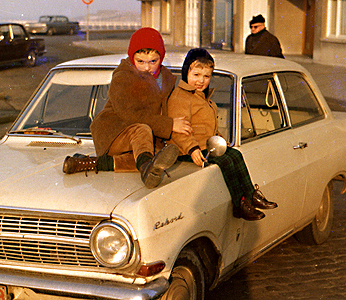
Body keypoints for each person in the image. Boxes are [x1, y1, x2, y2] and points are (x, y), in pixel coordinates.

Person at [63, 27, 192, 189]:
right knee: (142, 130)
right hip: (114, 133)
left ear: (161, 58)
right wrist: (169, 125)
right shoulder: (123, 77)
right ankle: (146, 168)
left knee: (158, 154)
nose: (147, 67)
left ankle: (91, 163)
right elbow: (130, 115)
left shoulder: (165, 78)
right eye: (141, 61)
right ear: (132, 58)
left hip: (141, 142)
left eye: (153, 61)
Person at [167, 48, 278, 221]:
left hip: (207, 146)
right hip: (188, 151)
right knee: (226, 160)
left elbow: (207, 126)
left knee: (235, 154)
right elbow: (180, 130)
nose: (201, 81)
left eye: (206, 76)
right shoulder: (180, 97)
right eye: (196, 75)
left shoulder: (202, 97)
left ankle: (251, 195)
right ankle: (239, 204)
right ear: (186, 72)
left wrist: (220, 139)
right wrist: (192, 149)